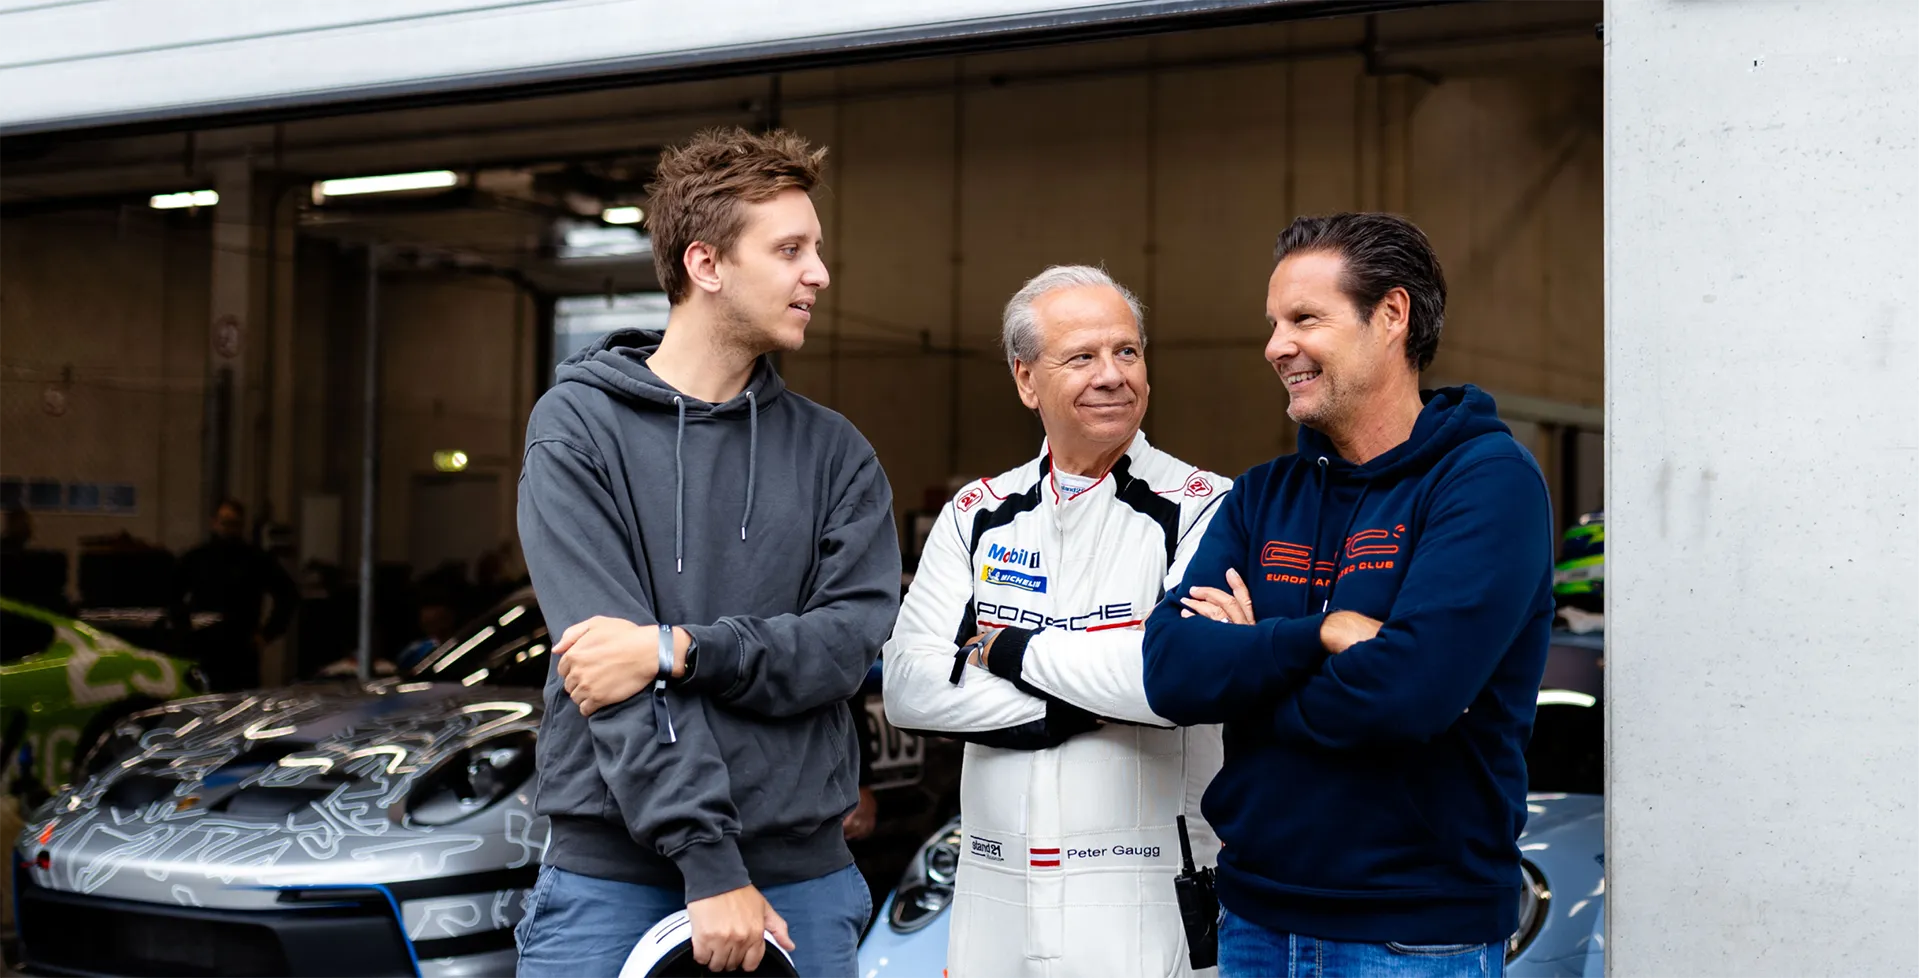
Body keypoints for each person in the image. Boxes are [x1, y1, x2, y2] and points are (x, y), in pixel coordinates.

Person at [513, 127, 902, 978]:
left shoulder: (838, 456)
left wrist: (680, 649)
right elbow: (603, 680)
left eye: (818, 250)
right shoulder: (579, 429)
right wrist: (711, 865)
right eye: (791, 249)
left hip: (802, 879)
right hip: (612, 880)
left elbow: (842, 651)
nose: (819, 275)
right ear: (705, 264)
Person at [1142, 213, 1555, 978]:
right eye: (1272, 323)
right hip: (1254, 921)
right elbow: (1170, 671)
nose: (1275, 346)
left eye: (1304, 319)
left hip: (1413, 937)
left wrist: (1251, 666)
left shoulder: (1486, 482)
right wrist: (1322, 636)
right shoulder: (1264, 496)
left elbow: (1406, 695)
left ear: (1391, 316)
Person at [884, 265, 1231, 978]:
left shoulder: (1205, 507)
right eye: (1082, 356)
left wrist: (1000, 648)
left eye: (1127, 351)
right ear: (1026, 380)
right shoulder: (978, 513)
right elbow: (909, 685)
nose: (1113, 375)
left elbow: (1174, 681)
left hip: (1146, 893)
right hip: (992, 892)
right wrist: (1075, 697)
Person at [176, 497, 298, 691]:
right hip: (204, 648)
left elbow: (288, 595)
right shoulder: (197, 558)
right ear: (214, 522)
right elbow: (173, 595)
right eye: (225, 522)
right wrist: (183, 631)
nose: (228, 529)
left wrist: (267, 634)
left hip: (241, 650)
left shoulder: (255, 559)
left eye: (234, 524)